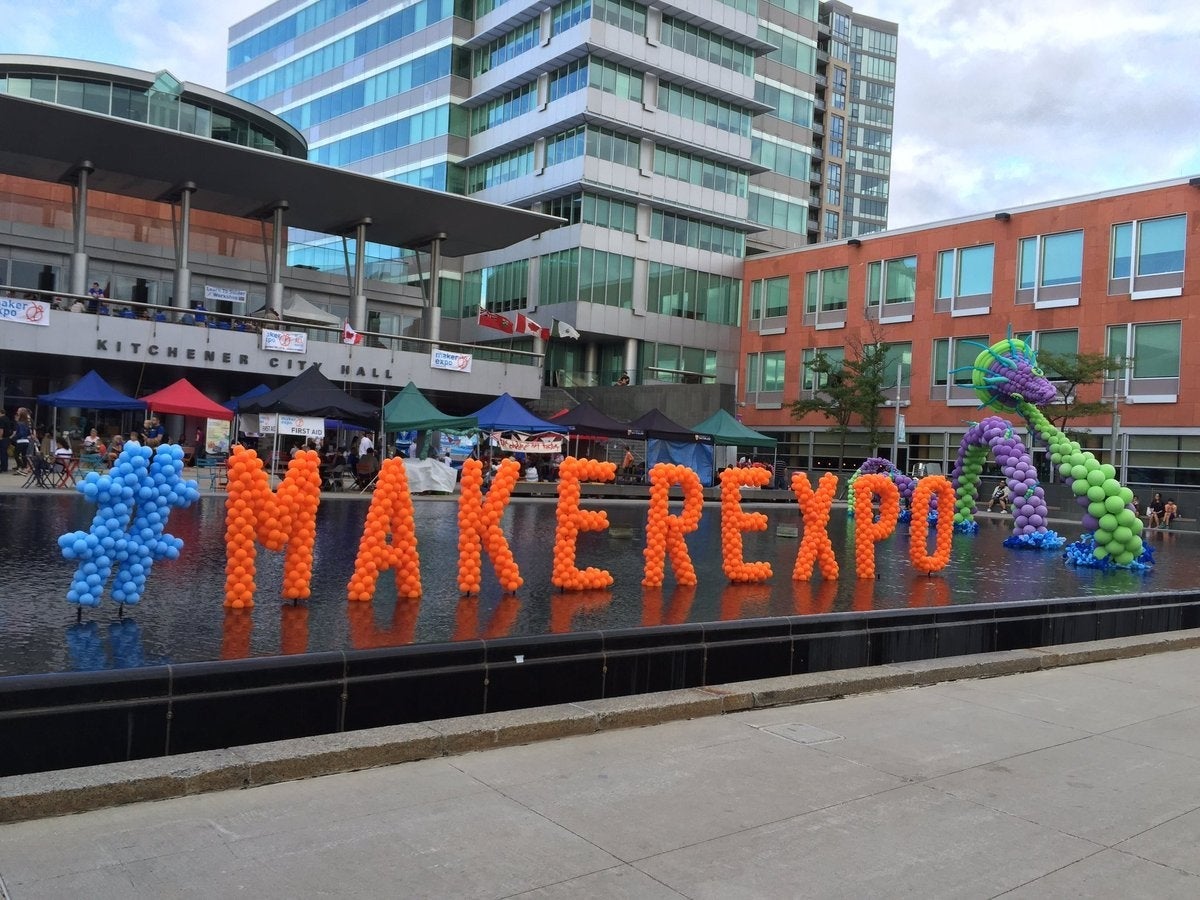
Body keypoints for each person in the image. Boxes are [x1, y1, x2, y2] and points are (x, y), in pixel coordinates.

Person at [11, 408, 33, 474]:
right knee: (24, 455)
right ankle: (24, 467)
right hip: (26, 441)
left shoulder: (19, 423)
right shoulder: (27, 423)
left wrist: (15, 437)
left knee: (16, 454)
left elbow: (19, 433)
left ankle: (21, 466)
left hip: (20, 441)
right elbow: (29, 432)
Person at [0, 407, 10, 474]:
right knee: (5, 453)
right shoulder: (7, 418)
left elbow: (1, 429)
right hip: (7, 438)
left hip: (3, 438)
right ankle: (5, 466)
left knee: (2, 453)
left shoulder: (1, 419)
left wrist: (0, 436)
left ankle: (3, 467)